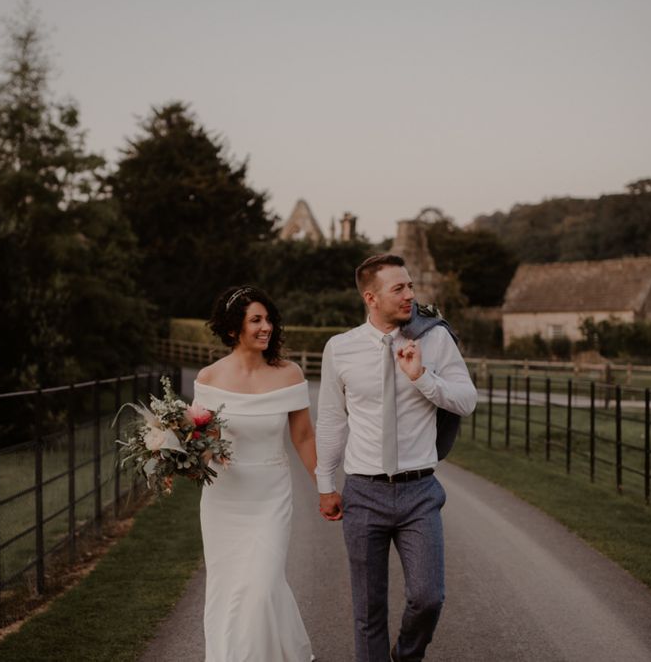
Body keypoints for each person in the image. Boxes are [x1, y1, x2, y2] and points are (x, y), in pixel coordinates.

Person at [315, 254, 477, 662]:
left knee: (428, 598)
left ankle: (406, 656)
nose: (411, 295)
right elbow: (332, 420)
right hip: (363, 493)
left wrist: (422, 377)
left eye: (410, 286)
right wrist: (325, 484)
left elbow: (467, 401)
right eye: (399, 288)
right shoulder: (340, 348)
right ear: (371, 297)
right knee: (368, 610)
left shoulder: (435, 339)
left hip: (419, 491)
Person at [195, 285, 317, 662]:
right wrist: (188, 458)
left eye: (268, 320)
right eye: (256, 320)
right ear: (234, 329)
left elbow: (303, 436)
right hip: (224, 499)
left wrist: (326, 487)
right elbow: (203, 440)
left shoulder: (289, 374)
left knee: (263, 586)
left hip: (270, 495)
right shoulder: (210, 378)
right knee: (229, 587)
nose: (266, 327)